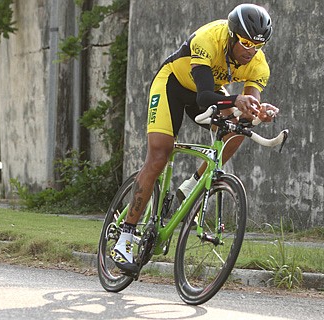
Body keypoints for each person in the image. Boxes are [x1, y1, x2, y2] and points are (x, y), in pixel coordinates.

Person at [111, 3, 279, 274]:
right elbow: (203, 97)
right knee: (159, 156)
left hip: (213, 92)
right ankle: (126, 235)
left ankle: (194, 183)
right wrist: (236, 98)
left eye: (258, 45)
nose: (251, 51)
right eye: (246, 43)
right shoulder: (208, 39)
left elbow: (250, 108)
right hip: (173, 85)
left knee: (240, 127)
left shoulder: (258, 65)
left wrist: (260, 112)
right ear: (233, 35)